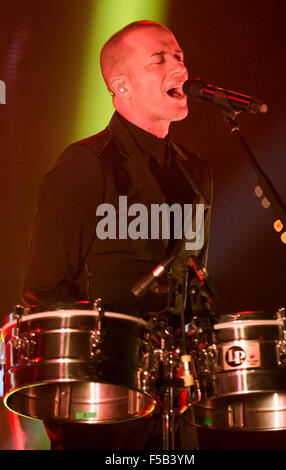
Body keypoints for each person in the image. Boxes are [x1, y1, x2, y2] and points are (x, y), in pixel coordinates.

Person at [21, 20, 213, 450]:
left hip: (174, 401)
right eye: (159, 59)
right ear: (120, 85)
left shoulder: (196, 171)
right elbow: (42, 287)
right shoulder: (84, 164)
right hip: (101, 401)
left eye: (179, 56)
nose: (179, 68)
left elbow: (196, 281)